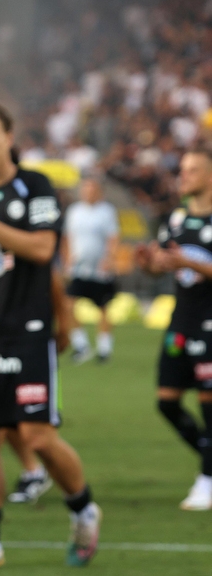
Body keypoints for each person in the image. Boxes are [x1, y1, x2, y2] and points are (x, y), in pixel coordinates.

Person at [0, 103, 100, 568]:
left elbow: (42, 248)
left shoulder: (35, 187)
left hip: (26, 333)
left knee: (37, 436)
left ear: (9, 137)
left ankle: (84, 508)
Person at [136, 147, 212, 511]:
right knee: (166, 401)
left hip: (211, 322)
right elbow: (164, 266)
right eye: (182, 170)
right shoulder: (177, 220)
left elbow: (187, 262)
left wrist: (186, 261)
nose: (184, 176)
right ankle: (209, 459)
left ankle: (207, 479)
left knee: (209, 402)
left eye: (193, 170)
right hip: (182, 318)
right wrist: (152, 263)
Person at [62, 174, 120, 363]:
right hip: (78, 268)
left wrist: (110, 259)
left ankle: (104, 349)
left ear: (98, 191)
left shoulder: (106, 212)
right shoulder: (74, 211)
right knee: (68, 305)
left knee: (102, 307)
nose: (88, 192)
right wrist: (66, 259)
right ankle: (81, 346)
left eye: (91, 188)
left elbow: (113, 238)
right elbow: (67, 237)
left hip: (99, 269)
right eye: (85, 188)